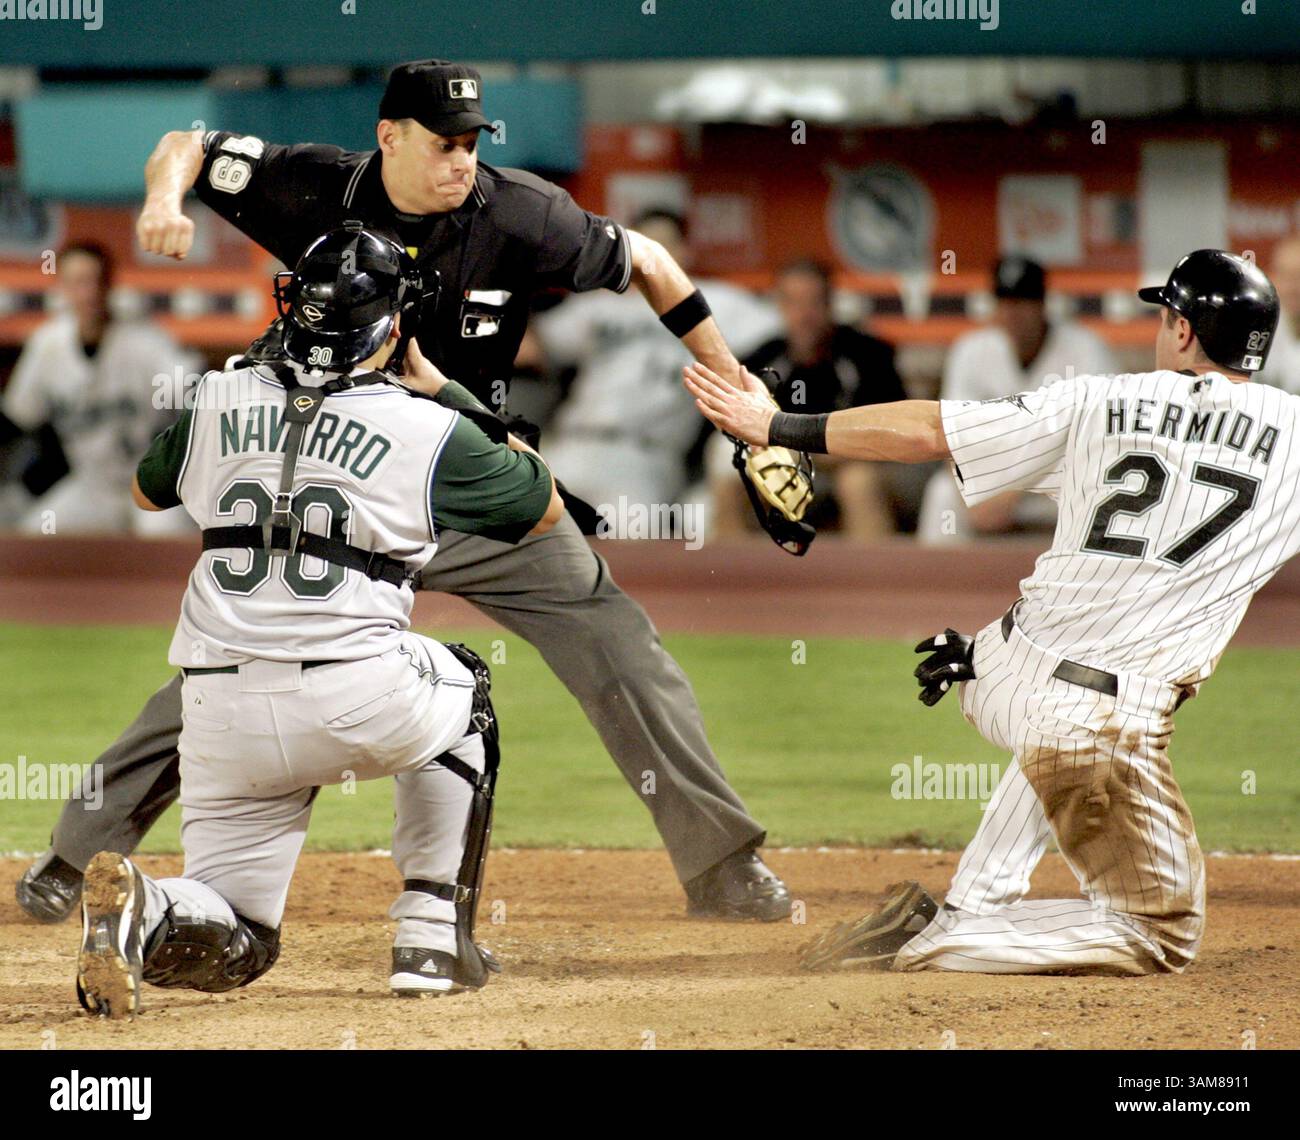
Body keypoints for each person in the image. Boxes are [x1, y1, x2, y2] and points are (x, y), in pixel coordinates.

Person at [17, 59, 791, 927]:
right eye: (443, 144)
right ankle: (74, 856)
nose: (462, 161)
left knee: (616, 641)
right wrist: (162, 202)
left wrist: (738, 389)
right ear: (388, 137)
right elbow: (183, 145)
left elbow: (648, 260)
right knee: (237, 665)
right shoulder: (311, 184)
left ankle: (722, 864)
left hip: (469, 477)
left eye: (471, 143)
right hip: (342, 484)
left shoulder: (521, 211)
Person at [686, 249, 1290, 976]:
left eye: (1166, 316)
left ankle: (973, 903)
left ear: (1185, 333)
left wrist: (779, 425)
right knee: (1160, 933)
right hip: (1093, 712)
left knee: (1064, 724)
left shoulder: (1098, 398)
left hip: (991, 663)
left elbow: (927, 431)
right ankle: (935, 941)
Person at [75, 225, 563, 1019]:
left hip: (217, 708)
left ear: (293, 306)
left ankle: (148, 907)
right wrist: (447, 392)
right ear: (394, 325)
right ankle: (432, 936)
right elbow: (541, 503)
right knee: (468, 686)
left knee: (238, 940)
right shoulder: (423, 423)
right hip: (359, 694)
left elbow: (144, 492)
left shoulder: (219, 393)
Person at [523, 207, 780, 514]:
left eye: (665, 244)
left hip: (643, 456)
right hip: (571, 443)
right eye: (644, 244)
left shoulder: (717, 302)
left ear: (685, 252)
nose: (653, 255)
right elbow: (528, 350)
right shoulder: (599, 304)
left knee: (627, 549)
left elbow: (790, 323)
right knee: (523, 533)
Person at [1, 242, 198, 535]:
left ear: (109, 285)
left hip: (151, 479)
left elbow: (194, 389)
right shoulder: (48, 344)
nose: (88, 292)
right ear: (62, 288)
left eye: (95, 281)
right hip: (93, 487)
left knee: (168, 539)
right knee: (37, 535)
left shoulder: (144, 341)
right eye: (77, 282)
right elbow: (18, 418)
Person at [916, 256, 1115, 544]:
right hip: (992, 480)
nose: (1012, 313)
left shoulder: (1085, 350)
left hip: (1063, 482)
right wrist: (969, 489)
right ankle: (936, 587)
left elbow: (1096, 439)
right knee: (942, 494)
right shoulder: (972, 350)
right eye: (1005, 302)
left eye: (1023, 302)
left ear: (1042, 304)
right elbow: (951, 434)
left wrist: (1011, 490)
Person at [711, 259, 905, 541]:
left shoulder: (868, 356)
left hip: (859, 469)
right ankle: (736, 581)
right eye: (793, 303)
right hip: (787, 469)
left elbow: (887, 435)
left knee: (857, 482)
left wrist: (807, 452)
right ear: (778, 306)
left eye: (813, 303)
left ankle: (872, 582)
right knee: (734, 483)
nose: (804, 315)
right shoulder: (760, 361)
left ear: (830, 305)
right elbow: (734, 433)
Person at [1258, 234, 1300, 395]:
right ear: (1272, 278)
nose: (1294, 288)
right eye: (1286, 276)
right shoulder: (1257, 329)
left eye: (1299, 277)